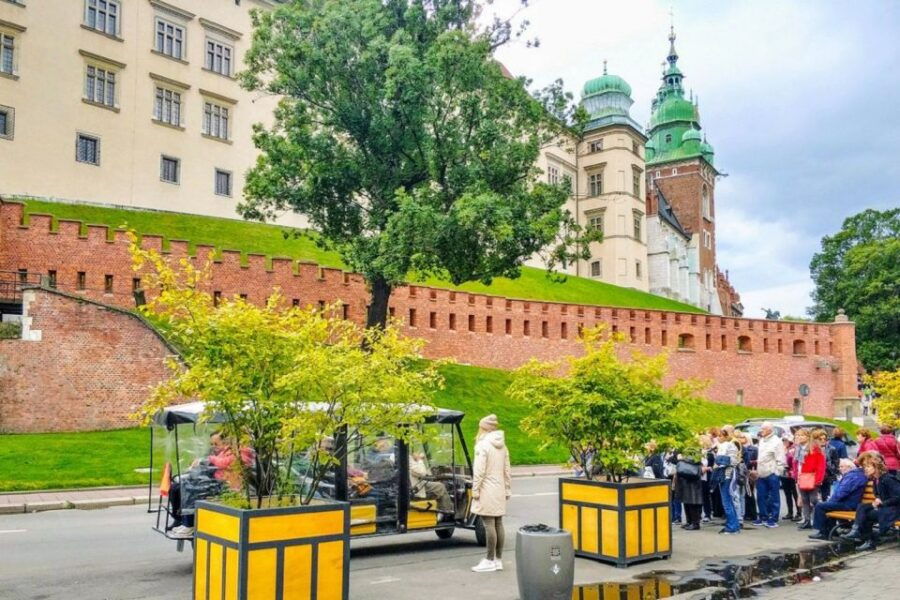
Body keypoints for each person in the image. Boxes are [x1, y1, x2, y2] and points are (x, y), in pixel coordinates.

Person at [470, 414, 511, 573]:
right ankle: (498, 560)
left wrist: (475, 490)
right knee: (498, 523)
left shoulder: (482, 445)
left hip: (486, 488)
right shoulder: (503, 446)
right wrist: (507, 488)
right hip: (499, 487)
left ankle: (489, 560)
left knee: (488, 524)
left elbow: (479, 471)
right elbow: (507, 469)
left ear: (483, 428)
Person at [842, 455, 900, 550]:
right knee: (863, 507)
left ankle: (867, 540)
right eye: (865, 466)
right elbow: (878, 494)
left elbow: (898, 497)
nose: (866, 469)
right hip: (886, 507)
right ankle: (858, 532)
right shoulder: (876, 479)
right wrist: (878, 500)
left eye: (868, 466)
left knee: (867, 515)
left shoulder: (888, 479)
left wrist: (882, 502)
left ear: (876, 466)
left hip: (894, 510)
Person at [808, 458, 868, 540]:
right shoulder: (852, 475)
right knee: (826, 506)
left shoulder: (853, 476)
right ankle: (828, 531)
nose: (840, 469)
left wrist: (831, 500)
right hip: (848, 502)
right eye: (840, 467)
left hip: (849, 504)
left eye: (842, 467)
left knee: (820, 506)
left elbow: (842, 492)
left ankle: (823, 532)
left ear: (849, 467)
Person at [754, 422, 786, 528]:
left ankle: (773, 517)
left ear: (769, 430)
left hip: (772, 472)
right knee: (761, 496)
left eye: (763, 429)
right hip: (761, 472)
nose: (761, 430)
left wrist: (777, 472)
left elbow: (780, 458)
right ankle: (763, 516)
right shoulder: (762, 440)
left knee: (774, 496)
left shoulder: (777, 441)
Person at [795, 428, 827, 530]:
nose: (799, 437)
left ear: (808, 437)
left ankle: (822, 517)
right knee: (804, 500)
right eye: (798, 435)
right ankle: (807, 520)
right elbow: (797, 464)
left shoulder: (815, 449)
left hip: (811, 477)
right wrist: (796, 475)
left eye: (802, 435)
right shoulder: (798, 448)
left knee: (813, 499)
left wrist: (818, 479)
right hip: (801, 477)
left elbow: (821, 465)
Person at [712, 429, 741, 534]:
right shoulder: (720, 447)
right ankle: (734, 525)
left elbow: (733, 461)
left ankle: (732, 526)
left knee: (727, 502)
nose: (718, 438)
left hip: (727, 476)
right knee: (728, 502)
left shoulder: (730, 445)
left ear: (726, 436)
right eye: (718, 436)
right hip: (721, 475)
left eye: (721, 436)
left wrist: (719, 460)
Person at [409, 450, 454, 516]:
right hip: (415, 488)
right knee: (441, 487)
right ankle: (447, 512)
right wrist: (419, 459)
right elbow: (421, 472)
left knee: (439, 486)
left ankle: (444, 510)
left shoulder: (397, 455)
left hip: (413, 483)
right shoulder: (407, 458)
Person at [673, 450, 703, 531]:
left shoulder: (693, 449)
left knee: (692, 503)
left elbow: (695, 460)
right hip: (685, 481)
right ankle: (689, 521)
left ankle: (695, 523)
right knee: (686, 502)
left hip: (692, 482)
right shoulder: (683, 448)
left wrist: (682, 459)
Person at [780, 434, 800, 521]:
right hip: (784, 474)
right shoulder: (782, 449)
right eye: (783, 440)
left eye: (786, 440)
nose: (784, 442)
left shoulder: (794, 449)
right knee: (787, 494)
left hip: (792, 474)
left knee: (795, 494)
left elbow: (793, 461)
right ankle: (790, 512)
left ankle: (799, 513)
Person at [740, 433, 759, 523]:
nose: (741, 438)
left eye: (743, 437)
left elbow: (756, 461)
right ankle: (745, 513)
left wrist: (752, 465)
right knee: (743, 494)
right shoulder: (739, 448)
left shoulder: (753, 449)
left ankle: (752, 513)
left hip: (749, 472)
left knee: (749, 493)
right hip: (742, 472)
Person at [699, 434, 715, 523]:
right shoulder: (698, 452)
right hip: (699, 476)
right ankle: (699, 514)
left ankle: (707, 514)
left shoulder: (710, 454)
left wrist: (707, 468)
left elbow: (712, 466)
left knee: (705, 496)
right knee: (698, 496)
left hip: (706, 477)